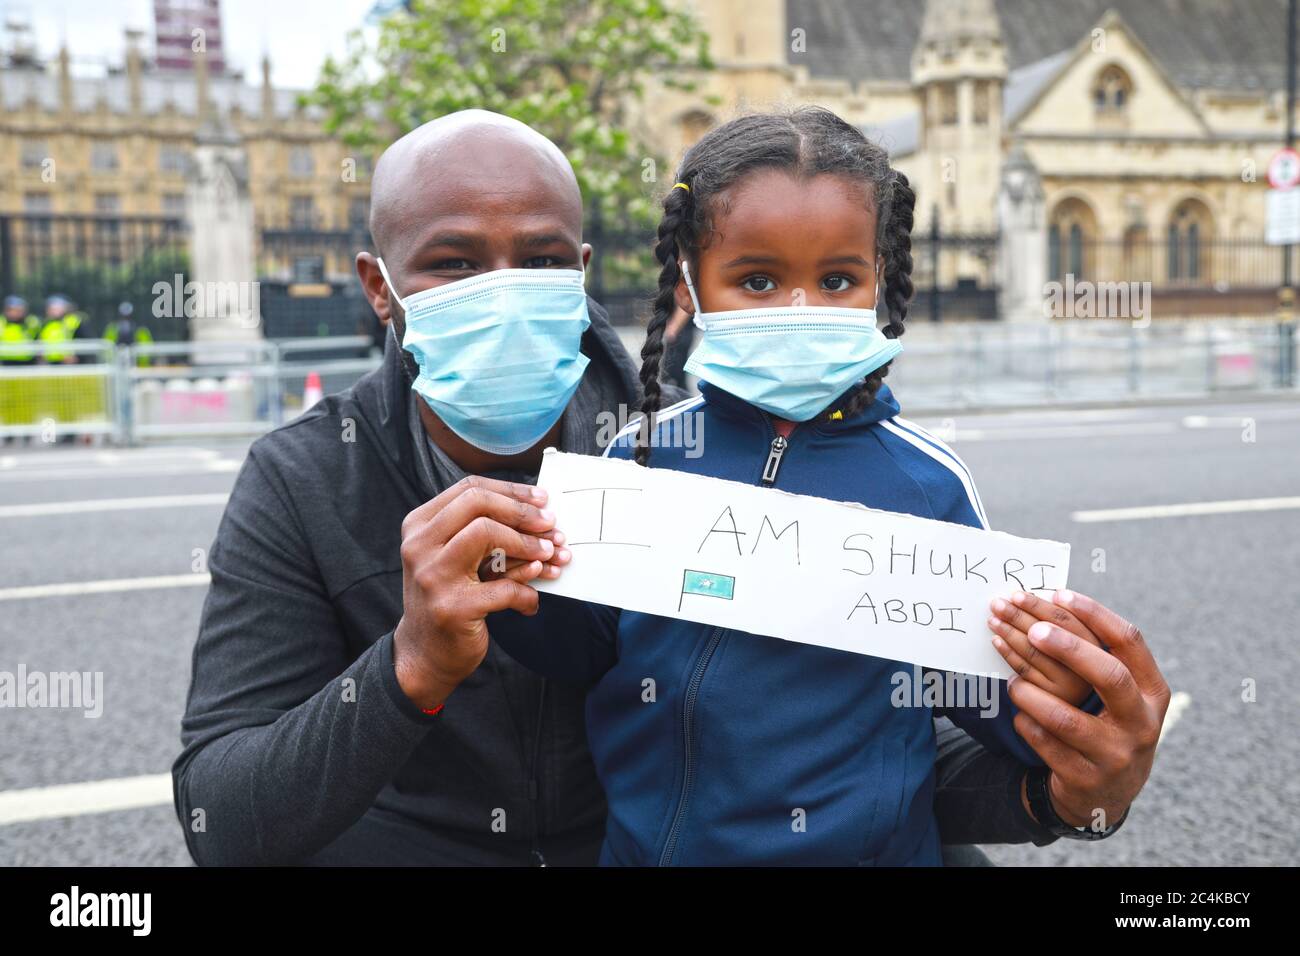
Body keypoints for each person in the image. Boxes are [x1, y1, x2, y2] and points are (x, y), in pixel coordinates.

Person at [174, 109, 1164, 867]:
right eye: (455, 263)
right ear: (379, 288)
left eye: (542, 259)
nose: (505, 289)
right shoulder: (305, 476)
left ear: (586, 270)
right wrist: (413, 664)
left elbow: (893, 737)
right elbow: (222, 815)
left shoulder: (738, 451)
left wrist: (1074, 777)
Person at [488, 108, 1170, 865]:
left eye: (837, 278)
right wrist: (512, 587)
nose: (801, 309)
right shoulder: (639, 457)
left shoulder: (928, 483)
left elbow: (994, 700)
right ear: (690, 281)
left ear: (879, 280)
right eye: (758, 279)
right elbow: (583, 648)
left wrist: (1079, 702)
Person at [38, 294, 82, 364]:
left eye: (57, 308)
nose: (54, 311)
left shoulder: (75, 321)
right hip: (49, 363)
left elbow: (84, 341)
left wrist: (77, 356)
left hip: (70, 363)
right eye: (52, 308)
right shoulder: (45, 324)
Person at [1, 295, 36, 366]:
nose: (14, 313)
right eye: (11, 310)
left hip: (28, 362)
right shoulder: (1, 323)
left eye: (18, 310)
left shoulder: (31, 322)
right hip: (5, 362)